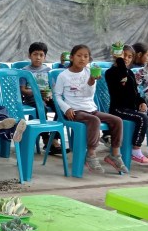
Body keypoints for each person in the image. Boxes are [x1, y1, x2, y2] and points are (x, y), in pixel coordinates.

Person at [53, 44, 128, 173]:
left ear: (89, 59)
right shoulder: (63, 76)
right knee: (94, 121)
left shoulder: (90, 72)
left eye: (86, 56)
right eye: (79, 56)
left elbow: (88, 94)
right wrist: (66, 108)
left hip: (90, 109)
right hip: (74, 111)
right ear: (71, 57)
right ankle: (91, 155)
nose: (82, 59)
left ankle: (115, 155)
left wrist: (92, 81)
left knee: (117, 120)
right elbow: (57, 95)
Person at [105, 44, 148, 168]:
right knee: (143, 118)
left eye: (129, 56)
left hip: (131, 108)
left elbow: (135, 92)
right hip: (118, 109)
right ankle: (136, 150)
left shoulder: (130, 72)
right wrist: (119, 60)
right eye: (123, 55)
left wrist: (141, 102)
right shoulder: (111, 73)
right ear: (115, 55)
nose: (126, 58)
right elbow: (122, 77)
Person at [18, 41, 63, 155]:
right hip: (32, 98)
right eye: (35, 54)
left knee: (61, 107)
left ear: (45, 57)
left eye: (41, 55)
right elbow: (22, 90)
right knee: (41, 107)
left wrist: (49, 95)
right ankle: (46, 138)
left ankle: (54, 138)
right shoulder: (24, 71)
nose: (38, 57)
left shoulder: (47, 70)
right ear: (29, 55)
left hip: (47, 97)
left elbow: (52, 87)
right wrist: (38, 93)